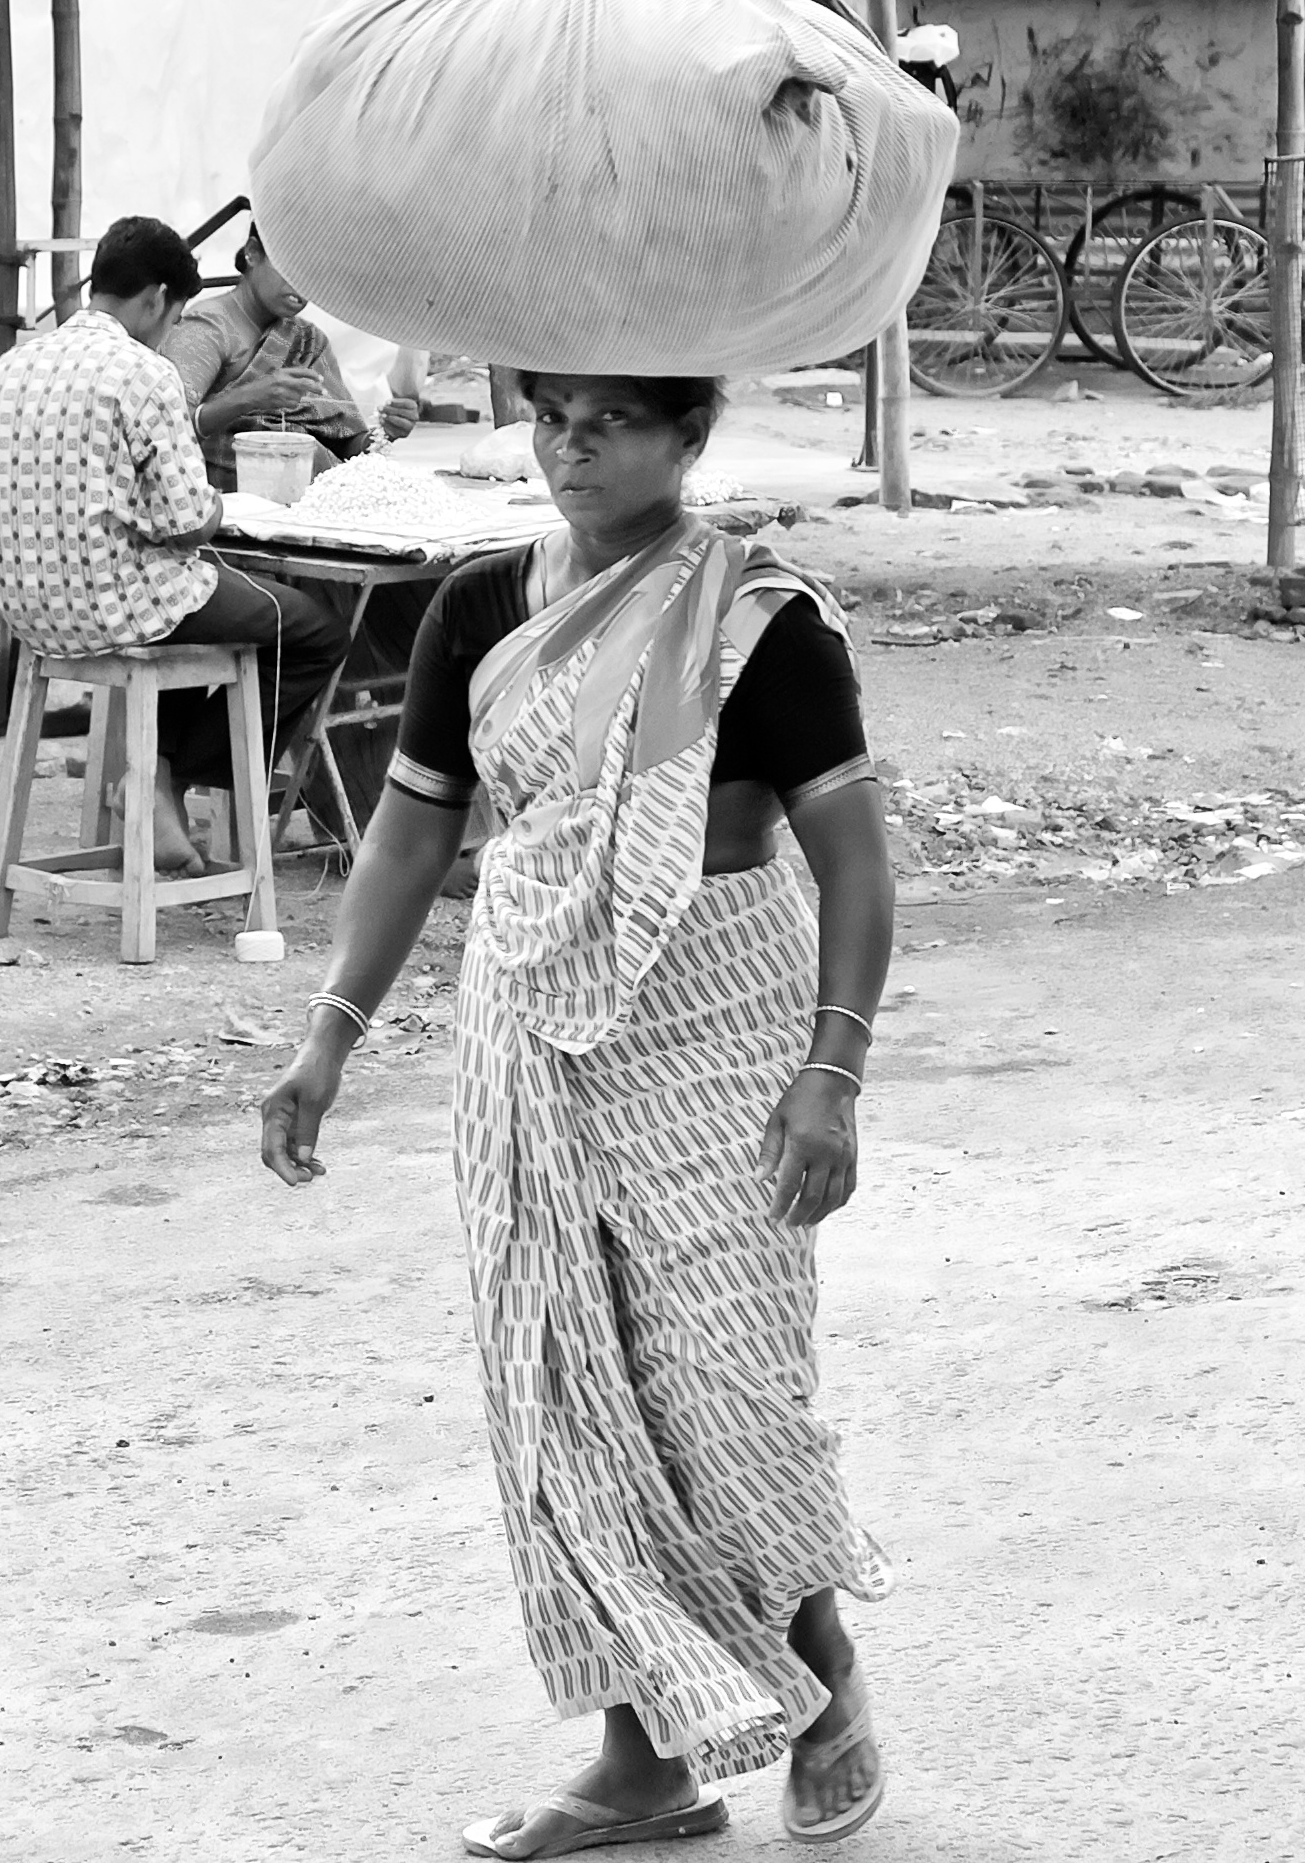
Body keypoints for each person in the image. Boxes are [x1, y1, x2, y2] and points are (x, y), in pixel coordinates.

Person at [257, 373, 893, 1856]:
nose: (572, 446)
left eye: (614, 420)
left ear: (689, 440)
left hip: (718, 1014)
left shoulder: (756, 619)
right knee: (561, 1380)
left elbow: (854, 864)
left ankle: (824, 1672)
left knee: (726, 1382)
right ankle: (641, 1757)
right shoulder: (475, 606)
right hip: (523, 1028)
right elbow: (414, 828)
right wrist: (327, 1035)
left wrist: (833, 1069)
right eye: (553, 416)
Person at [0, 215, 345, 873]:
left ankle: (155, 773)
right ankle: (162, 776)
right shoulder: (145, 371)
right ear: (159, 298)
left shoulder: (7, 370)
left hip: (26, 613)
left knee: (201, 607)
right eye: (174, 313)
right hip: (126, 604)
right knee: (308, 628)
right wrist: (223, 506)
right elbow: (189, 520)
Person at [157, 231, 419, 493]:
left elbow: (349, 448)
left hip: (307, 499)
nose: (301, 287)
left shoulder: (308, 340)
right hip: (222, 502)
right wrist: (250, 396)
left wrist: (386, 432)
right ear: (252, 253)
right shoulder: (206, 328)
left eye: (314, 278)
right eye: (292, 267)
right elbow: (167, 427)